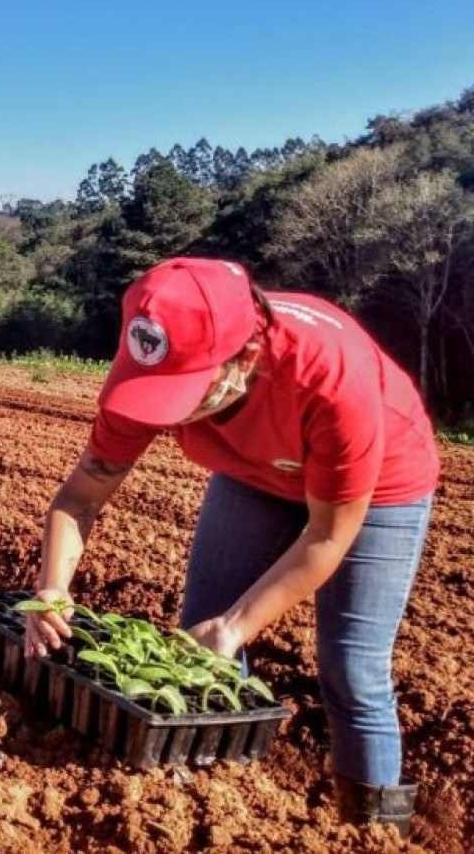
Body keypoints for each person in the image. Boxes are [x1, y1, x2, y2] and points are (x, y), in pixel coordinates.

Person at [24, 257, 437, 836]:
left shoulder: (328, 379)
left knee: (352, 665)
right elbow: (79, 500)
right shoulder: (153, 356)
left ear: (244, 358)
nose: (169, 414)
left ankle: (375, 832)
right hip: (254, 472)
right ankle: (225, 805)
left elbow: (326, 535)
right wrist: (51, 591)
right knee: (200, 637)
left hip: (381, 481)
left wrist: (238, 626)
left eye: (185, 395)